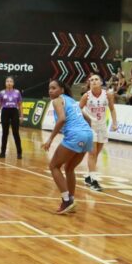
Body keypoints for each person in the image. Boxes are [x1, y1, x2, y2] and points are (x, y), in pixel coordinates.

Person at [43, 80, 93, 214]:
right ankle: (71, 199)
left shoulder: (57, 101)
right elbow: (88, 120)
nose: (51, 91)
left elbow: (62, 119)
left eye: (54, 88)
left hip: (75, 135)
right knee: (69, 168)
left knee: (54, 166)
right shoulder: (71, 101)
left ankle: (66, 201)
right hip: (88, 135)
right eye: (49, 88)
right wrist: (86, 135)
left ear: (62, 90)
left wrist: (50, 139)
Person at [79, 74, 117, 191]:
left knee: (96, 153)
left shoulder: (108, 95)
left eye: (96, 79)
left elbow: (112, 108)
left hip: (102, 126)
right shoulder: (86, 96)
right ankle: (94, 181)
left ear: (101, 82)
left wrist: (114, 123)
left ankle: (89, 177)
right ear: (89, 83)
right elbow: (78, 109)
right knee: (92, 153)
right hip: (90, 127)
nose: (94, 81)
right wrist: (86, 118)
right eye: (91, 80)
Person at [0, 76, 23, 159]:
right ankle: (3, 152)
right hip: (5, 112)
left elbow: (20, 104)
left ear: (13, 83)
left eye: (11, 81)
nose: (9, 83)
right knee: (5, 133)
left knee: (15, 133)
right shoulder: (1, 93)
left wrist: (21, 115)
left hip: (14, 112)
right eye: (7, 81)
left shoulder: (17, 92)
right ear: (5, 83)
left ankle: (19, 153)